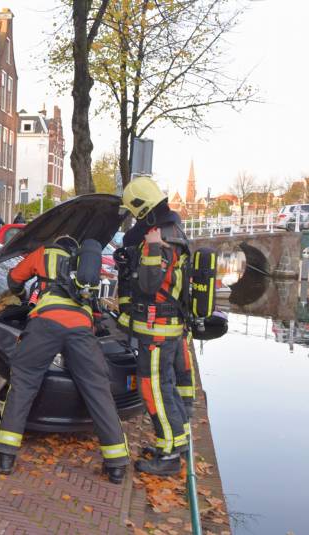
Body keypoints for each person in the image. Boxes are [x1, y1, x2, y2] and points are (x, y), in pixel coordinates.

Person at [0, 236, 130, 483]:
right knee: (98, 390)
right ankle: (117, 464)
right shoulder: (85, 269)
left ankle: (6, 455)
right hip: (80, 328)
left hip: (45, 324)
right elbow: (95, 305)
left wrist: (19, 291)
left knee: (23, 383)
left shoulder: (44, 253)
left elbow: (14, 278)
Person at [116, 176, 190, 476]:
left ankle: (169, 456)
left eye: (135, 214)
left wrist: (152, 250)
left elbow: (148, 285)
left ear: (143, 210)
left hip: (157, 330)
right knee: (167, 387)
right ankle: (174, 443)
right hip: (168, 328)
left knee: (155, 390)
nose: (135, 221)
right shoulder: (175, 230)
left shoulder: (159, 239)